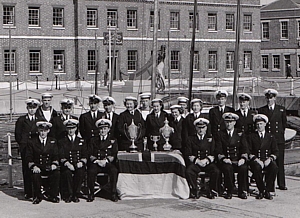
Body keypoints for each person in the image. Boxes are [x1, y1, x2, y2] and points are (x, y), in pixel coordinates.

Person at [258, 89, 287, 190]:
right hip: (268, 140)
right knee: (268, 161)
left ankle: (281, 183)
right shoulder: (262, 110)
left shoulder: (281, 110)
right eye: (268, 98)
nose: (269, 100)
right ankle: (269, 183)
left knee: (280, 162)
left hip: (278, 140)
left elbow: (284, 125)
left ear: (275, 98)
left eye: (271, 98)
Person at [215, 113, 249, 199]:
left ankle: (242, 191)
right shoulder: (220, 134)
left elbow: (244, 148)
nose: (229, 124)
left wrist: (243, 158)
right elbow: (218, 149)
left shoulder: (240, 134)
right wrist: (223, 158)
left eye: (231, 122)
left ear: (234, 122)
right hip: (226, 160)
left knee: (243, 168)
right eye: (227, 122)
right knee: (227, 168)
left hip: (237, 159)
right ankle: (229, 190)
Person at [185, 118, 220, 199]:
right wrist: (197, 161)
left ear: (206, 128)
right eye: (199, 128)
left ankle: (211, 190)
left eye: (203, 127)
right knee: (189, 171)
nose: (201, 130)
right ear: (196, 128)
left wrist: (206, 160)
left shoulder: (210, 139)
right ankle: (195, 190)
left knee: (216, 171)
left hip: (206, 162)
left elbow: (214, 152)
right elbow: (188, 153)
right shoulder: (190, 139)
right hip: (196, 163)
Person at [26, 121, 60, 204]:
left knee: (56, 173)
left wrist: (54, 164)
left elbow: (56, 155)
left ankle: (53, 195)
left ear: (48, 131)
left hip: (49, 165)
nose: (43, 133)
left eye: (45, 131)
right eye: (41, 131)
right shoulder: (32, 142)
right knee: (35, 174)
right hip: (38, 166)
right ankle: (37, 196)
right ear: (38, 130)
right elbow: (28, 156)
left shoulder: (53, 141)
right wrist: (33, 166)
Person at [87, 119, 118, 202]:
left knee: (114, 170)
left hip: (107, 162)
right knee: (91, 171)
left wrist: (106, 161)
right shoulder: (93, 140)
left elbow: (114, 153)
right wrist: (97, 161)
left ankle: (113, 193)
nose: (103, 131)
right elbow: (89, 153)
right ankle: (91, 193)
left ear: (108, 129)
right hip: (97, 162)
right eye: (101, 129)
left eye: (105, 129)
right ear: (98, 130)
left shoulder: (113, 140)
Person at [248, 114, 279, 200]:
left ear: (265, 124)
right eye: (257, 124)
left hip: (267, 159)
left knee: (274, 167)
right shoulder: (251, 136)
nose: (259, 126)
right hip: (256, 160)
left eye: (261, 124)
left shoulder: (271, 137)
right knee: (257, 168)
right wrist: (257, 160)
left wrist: (270, 159)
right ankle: (262, 190)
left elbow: (276, 151)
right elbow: (248, 151)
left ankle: (268, 190)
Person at [15, 98, 40, 199]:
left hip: (35, 148)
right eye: (30, 108)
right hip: (25, 147)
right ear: (27, 108)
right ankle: (28, 191)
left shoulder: (39, 120)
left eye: (34, 108)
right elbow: (18, 134)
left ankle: (36, 191)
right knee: (26, 169)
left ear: (36, 108)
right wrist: (22, 144)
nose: (32, 110)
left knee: (35, 167)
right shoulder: (21, 120)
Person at [58, 119, 87, 203]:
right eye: (69, 128)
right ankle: (69, 194)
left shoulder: (81, 141)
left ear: (76, 128)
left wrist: (81, 162)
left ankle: (76, 194)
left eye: (72, 128)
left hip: (78, 164)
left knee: (80, 172)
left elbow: (85, 154)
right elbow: (61, 155)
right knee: (67, 173)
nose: (71, 130)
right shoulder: (62, 141)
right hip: (67, 164)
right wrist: (67, 163)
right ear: (66, 129)